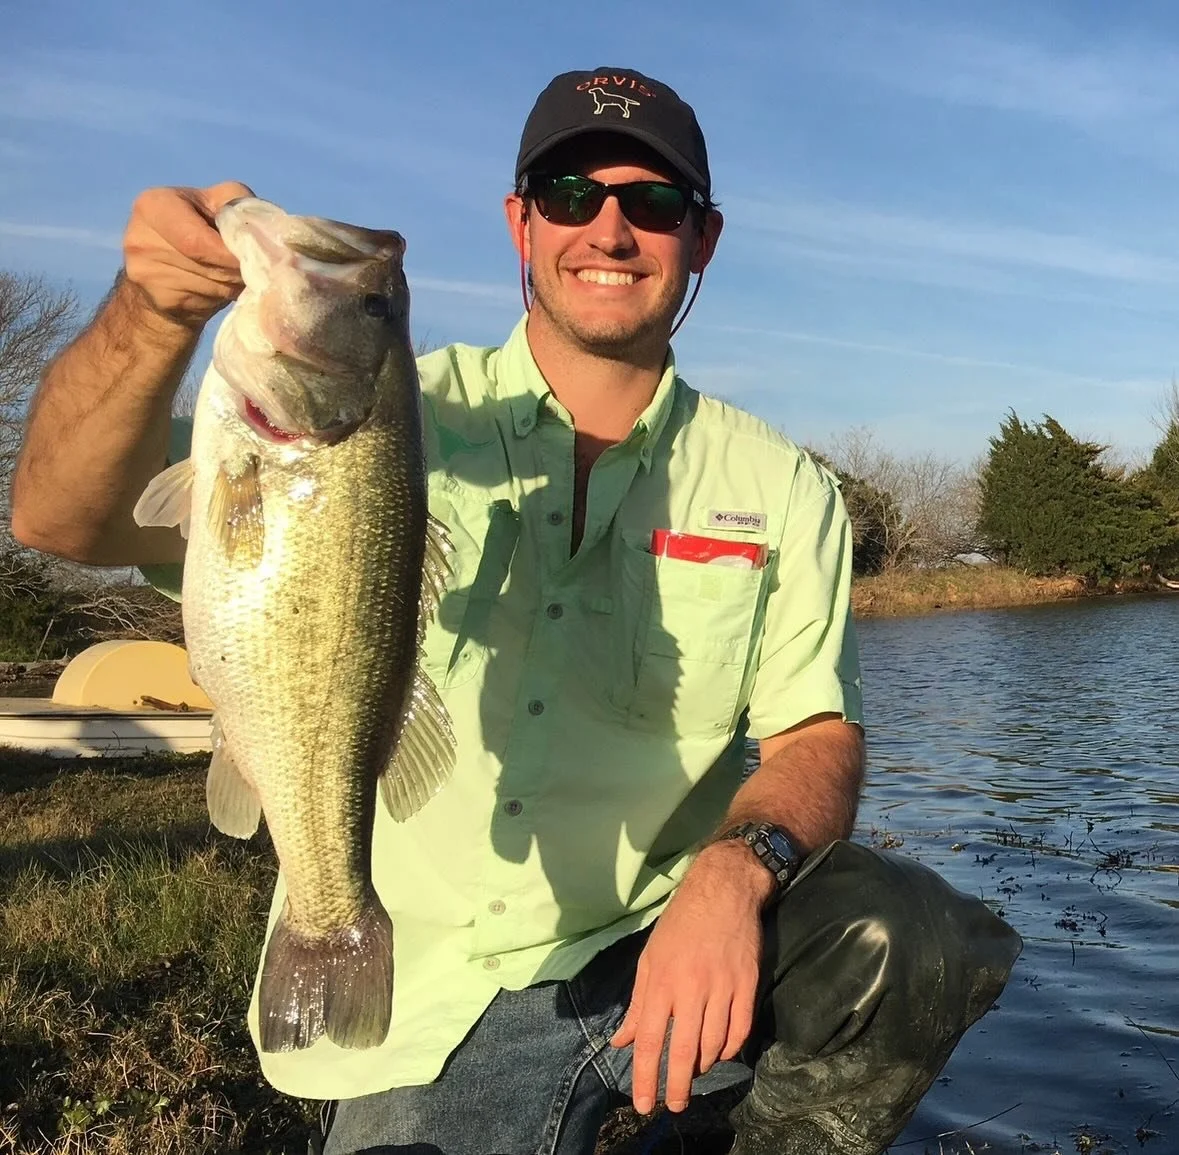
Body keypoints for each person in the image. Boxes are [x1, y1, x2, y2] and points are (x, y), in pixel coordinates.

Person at [11, 68, 1021, 1155]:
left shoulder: (783, 488)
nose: (613, 228)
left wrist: (733, 877)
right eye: (574, 193)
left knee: (915, 938)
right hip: (430, 997)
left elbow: (816, 734)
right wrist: (151, 313)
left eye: (657, 203)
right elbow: (62, 516)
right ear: (520, 222)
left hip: (661, 947)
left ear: (704, 240)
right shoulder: (394, 414)